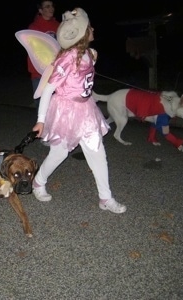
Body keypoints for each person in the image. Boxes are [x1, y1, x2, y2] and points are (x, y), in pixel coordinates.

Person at [31, 8, 127, 214]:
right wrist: (41, 120)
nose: (93, 29)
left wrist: (91, 58)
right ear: (82, 32)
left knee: (98, 154)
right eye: (89, 26)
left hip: (86, 111)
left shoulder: (88, 54)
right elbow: (48, 88)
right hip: (66, 111)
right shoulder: (67, 58)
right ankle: (38, 182)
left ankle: (105, 198)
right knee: (59, 153)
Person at [27, 1, 60, 112]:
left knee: (57, 106)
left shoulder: (58, 25)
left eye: (52, 6)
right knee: (41, 107)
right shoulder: (34, 27)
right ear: (40, 10)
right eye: (47, 6)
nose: (51, 8)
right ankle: (42, 128)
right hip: (39, 72)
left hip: (56, 72)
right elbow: (35, 51)